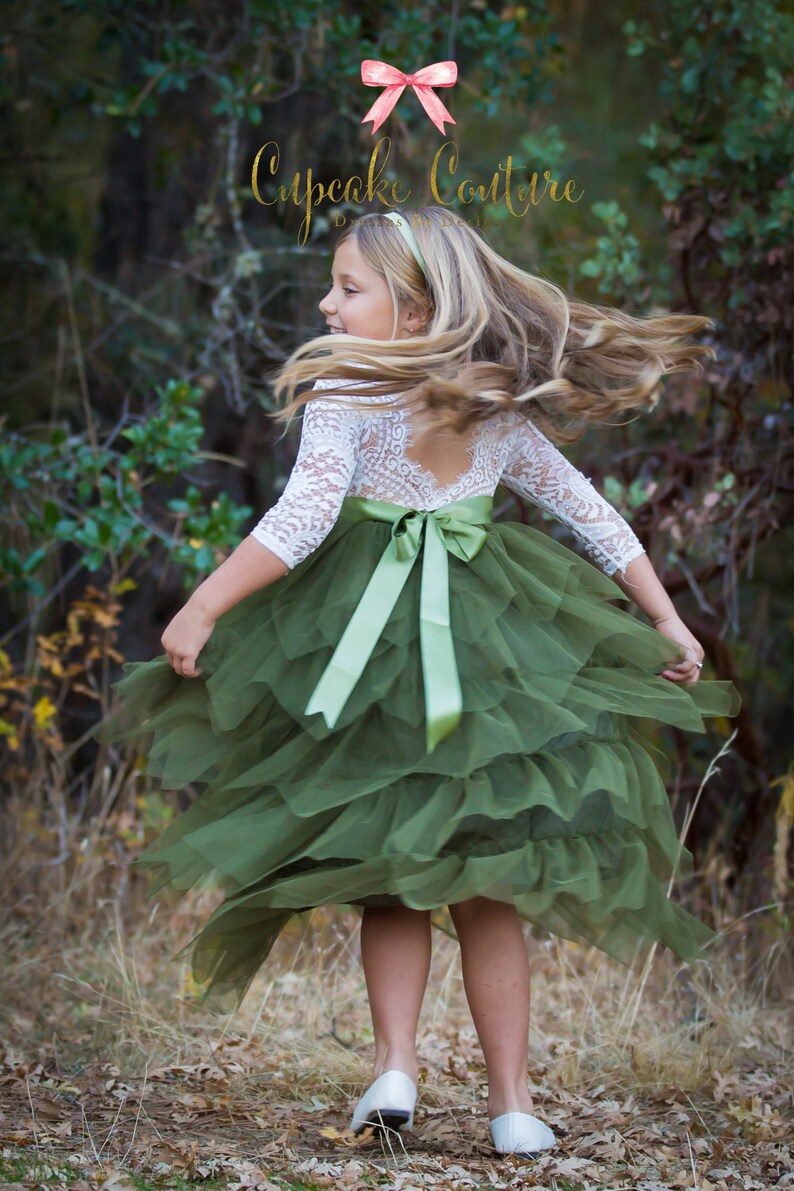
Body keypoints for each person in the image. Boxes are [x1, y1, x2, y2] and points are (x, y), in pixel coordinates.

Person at [96, 206, 741, 1158]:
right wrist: (664, 615)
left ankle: (394, 1066)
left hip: (371, 652)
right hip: (491, 655)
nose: (327, 303)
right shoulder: (495, 401)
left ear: (417, 306)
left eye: (348, 288)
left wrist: (205, 602)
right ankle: (511, 1104)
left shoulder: (348, 389)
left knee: (394, 875)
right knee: (487, 886)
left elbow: (304, 518)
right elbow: (592, 514)